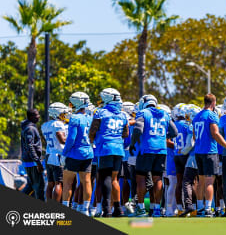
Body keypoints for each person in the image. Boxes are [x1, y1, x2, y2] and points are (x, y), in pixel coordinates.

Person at [129, 95, 178, 217]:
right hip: (161, 150)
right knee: (158, 179)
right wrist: (161, 137)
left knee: (141, 178)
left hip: (146, 149)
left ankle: (140, 208)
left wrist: (132, 143)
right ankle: (157, 208)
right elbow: (174, 132)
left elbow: (138, 130)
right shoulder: (164, 114)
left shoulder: (143, 112)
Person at [193, 93, 226, 217]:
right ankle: (208, 209)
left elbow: (194, 136)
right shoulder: (212, 116)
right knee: (209, 181)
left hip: (198, 151)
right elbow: (215, 134)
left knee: (201, 181)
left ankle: (200, 208)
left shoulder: (196, 116)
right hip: (209, 151)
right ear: (213, 103)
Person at [89, 88, 129, 217]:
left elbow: (93, 131)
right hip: (118, 148)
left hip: (105, 147)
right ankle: (118, 208)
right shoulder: (123, 115)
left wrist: (91, 142)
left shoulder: (101, 112)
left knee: (105, 177)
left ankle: (106, 209)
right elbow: (126, 133)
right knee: (114, 179)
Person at [62, 92, 94, 216]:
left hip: (75, 153)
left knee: (68, 182)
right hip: (88, 153)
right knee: (86, 181)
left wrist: (64, 154)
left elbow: (71, 139)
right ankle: (85, 209)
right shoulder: (90, 118)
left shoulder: (75, 118)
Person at [41, 102, 69, 202]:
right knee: (58, 183)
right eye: (62, 113)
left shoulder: (45, 125)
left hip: (49, 154)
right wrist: (73, 140)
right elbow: (61, 140)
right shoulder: (58, 124)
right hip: (57, 155)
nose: (64, 116)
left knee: (50, 183)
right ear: (56, 113)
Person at [21, 109, 45, 201]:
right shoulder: (30, 129)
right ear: (31, 117)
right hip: (32, 162)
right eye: (36, 115)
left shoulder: (29, 127)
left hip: (30, 161)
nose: (38, 116)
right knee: (40, 187)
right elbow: (30, 146)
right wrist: (38, 162)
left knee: (30, 186)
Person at [172, 103, 190, 215]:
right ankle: (191, 207)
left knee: (179, 183)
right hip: (185, 154)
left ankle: (179, 208)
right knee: (190, 182)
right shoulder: (187, 125)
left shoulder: (173, 124)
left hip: (176, 154)